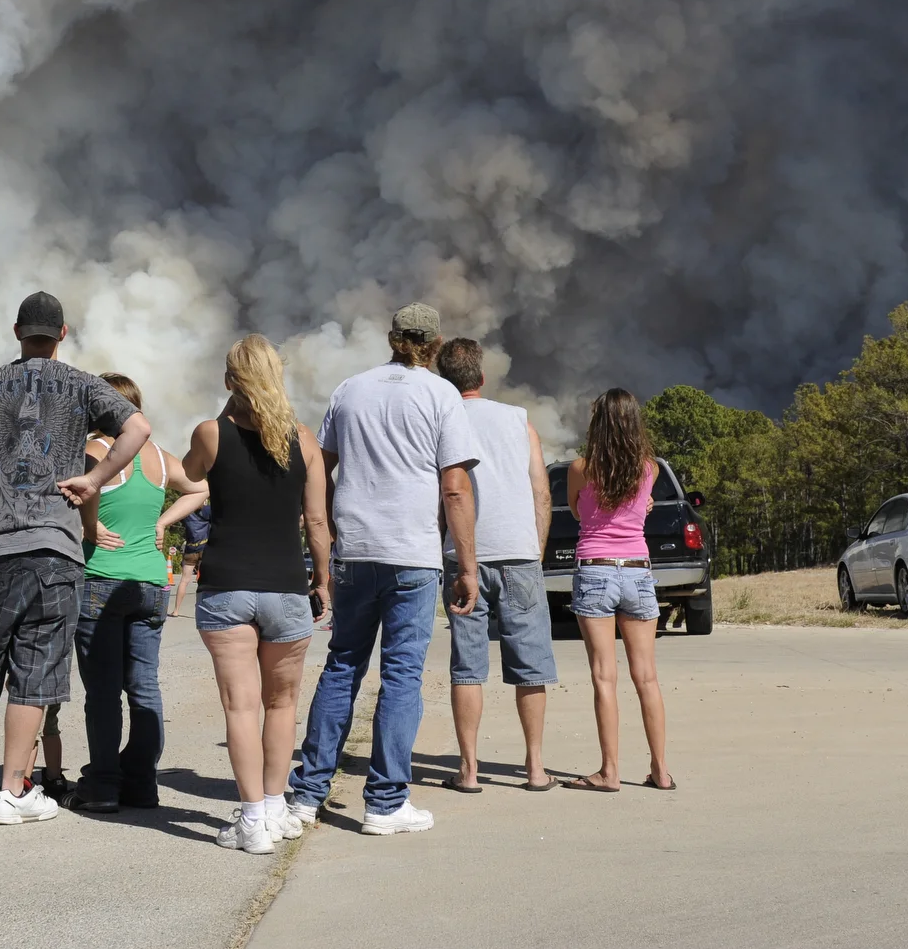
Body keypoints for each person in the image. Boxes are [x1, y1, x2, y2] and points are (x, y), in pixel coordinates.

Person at [0, 291, 151, 825]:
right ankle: (11, 792)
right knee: (35, 675)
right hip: (56, 549)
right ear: (64, 333)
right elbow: (138, 428)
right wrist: (93, 480)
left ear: (17, 331)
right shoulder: (86, 386)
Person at [286, 304, 479, 837]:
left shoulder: (350, 389)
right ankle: (386, 802)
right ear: (434, 343)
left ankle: (306, 794)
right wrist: (467, 564)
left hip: (355, 551)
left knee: (343, 664)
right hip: (412, 554)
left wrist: (321, 552)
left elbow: (318, 473)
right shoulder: (440, 394)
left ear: (392, 338)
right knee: (400, 675)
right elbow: (456, 486)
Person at [168, 335, 330, 854]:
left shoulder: (211, 433)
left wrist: (227, 410)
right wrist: (322, 579)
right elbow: (318, 521)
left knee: (241, 708)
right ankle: (279, 808)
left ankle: (253, 820)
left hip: (227, 588)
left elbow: (189, 480)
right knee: (282, 705)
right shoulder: (303, 440)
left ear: (229, 380)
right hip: (286, 587)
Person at [70, 372, 211, 813]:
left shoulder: (93, 451)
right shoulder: (159, 458)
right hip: (151, 583)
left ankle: (104, 785)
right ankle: (143, 784)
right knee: (144, 687)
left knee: (103, 692)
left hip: (101, 578)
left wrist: (90, 527)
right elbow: (202, 488)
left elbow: (86, 491)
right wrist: (163, 522)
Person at [435, 338, 556, 793]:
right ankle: (536, 769)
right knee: (532, 665)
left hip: (461, 557)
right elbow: (541, 492)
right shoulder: (519, 420)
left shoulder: (441, 420)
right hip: (520, 554)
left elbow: (443, 493)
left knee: (467, 665)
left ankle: (468, 771)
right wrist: (535, 551)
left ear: (444, 382)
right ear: (482, 377)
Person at [564, 388, 673, 793]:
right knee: (647, 677)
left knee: (603, 678)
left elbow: (579, 513)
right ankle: (660, 770)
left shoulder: (580, 468)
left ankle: (609, 772)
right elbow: (640, 506)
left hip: (595, 571)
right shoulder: (650, 469)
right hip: (638, 572)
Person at [168, 500, 210, 617]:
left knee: (184, 581)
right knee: (204, 581)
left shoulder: (186, 512)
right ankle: (202, 610)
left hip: (190, 549)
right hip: (205, 547)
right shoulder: (206, 511)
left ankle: (176, 610)